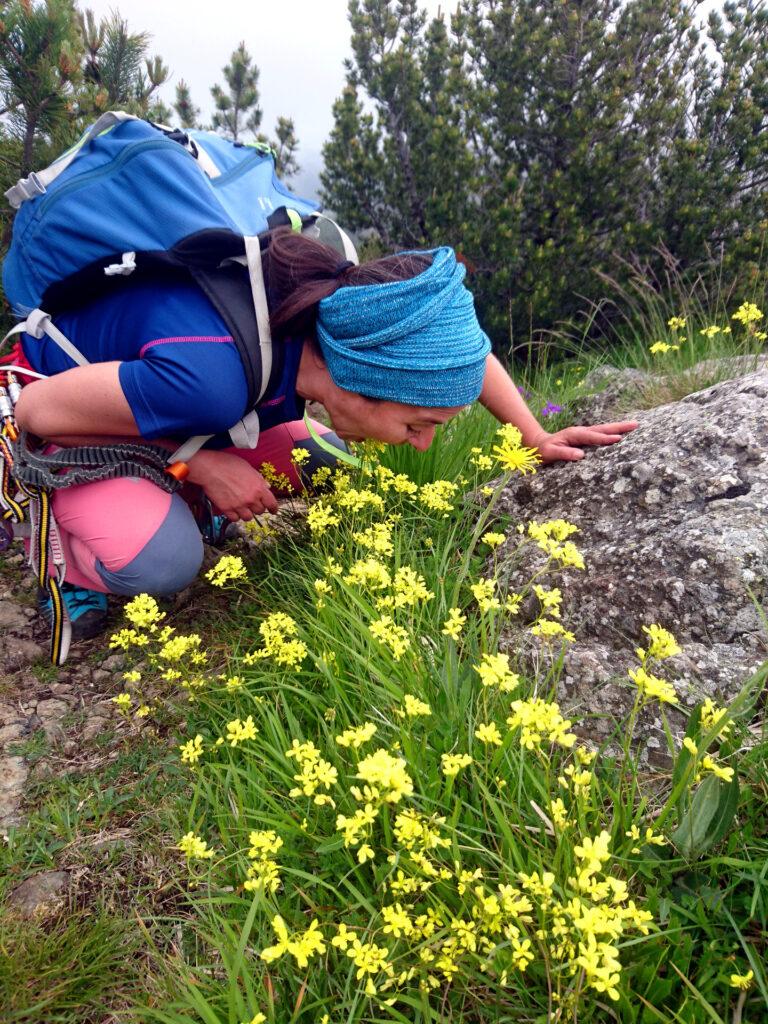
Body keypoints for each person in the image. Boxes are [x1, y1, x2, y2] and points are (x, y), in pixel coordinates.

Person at [10, 231, 636, 638]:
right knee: (166, 561)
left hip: (167, 402)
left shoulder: (347, 312)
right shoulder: (211, 381)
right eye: (416, 426)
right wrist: (201, 464)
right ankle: (70, 562)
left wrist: (531, 434)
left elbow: (460, 361)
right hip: (64, 412)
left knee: (327, 463)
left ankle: (182, 491)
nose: (420, 442)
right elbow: (37, 409)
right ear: (362, 385)